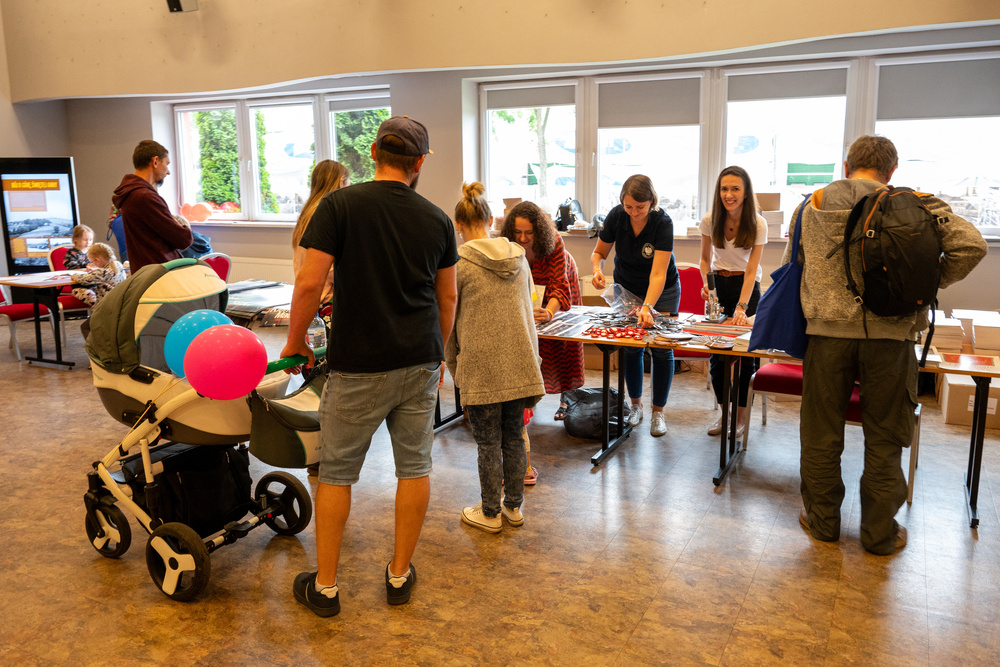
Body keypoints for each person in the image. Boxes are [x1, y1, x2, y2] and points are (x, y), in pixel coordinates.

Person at [281, 116, 457, 617]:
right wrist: (438, 351)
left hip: (357, 363)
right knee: (415, 467)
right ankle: (399, 574)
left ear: (375, 151)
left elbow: (309, 283)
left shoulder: (339, 206)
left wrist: (295, 341)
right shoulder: (437, 219)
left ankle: (326, 588)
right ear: (419, 163)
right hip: (419, 359)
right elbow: (447, 297)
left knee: (336, 473)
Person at [786, 135, 986, 555]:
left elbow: (794, 264)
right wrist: (926, 284)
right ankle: (879, 535)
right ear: (891, 171)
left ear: (846, 166)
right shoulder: (918, 204)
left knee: (821, 434)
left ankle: (823, 523)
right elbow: (971, 245)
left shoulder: (811, 205)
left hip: (827, 336)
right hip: (892, 339)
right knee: (884, 437)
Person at [445, 183, 544, 534]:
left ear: (458, 225)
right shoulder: (519, 257)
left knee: (488, 443)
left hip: (481, 367)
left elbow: (449, 321)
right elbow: (529, 313)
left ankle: (489, 513)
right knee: (514, 436)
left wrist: (453, 365)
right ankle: (513, 508)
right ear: (491, 221)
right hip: (520, 363)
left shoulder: (457, 263)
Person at [501, 201, 585, 484]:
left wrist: (549, 311)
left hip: (557, 292)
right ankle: (529, 399)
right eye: (518, 232)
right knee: (529, 347)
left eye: (529, 233)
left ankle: (566, 399)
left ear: (540, 231)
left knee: (561, 347)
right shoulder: (507, 244)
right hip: (530, 295)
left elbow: (560, 285)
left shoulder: (555, 242)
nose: (523, 238)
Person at [591, 175, 680, 437]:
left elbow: (658, 274)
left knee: (662, 348)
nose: (634, 212)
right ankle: (636, 406)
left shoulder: (663, 222)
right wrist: (596, 270)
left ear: (652, 201)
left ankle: (658, 412)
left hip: (662, 290)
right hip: (627, 287)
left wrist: (648, 306)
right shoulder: (616, 216)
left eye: (640, 207)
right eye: (628, 206)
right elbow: (599, 252)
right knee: (631, 346)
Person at [699, 166, 767, 438]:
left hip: (747, 289)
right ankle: (724, 413)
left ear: (746, 192)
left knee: (745, 358)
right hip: (720, 285)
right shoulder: (710, 219)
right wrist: (708, 286)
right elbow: (705, 259)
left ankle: (740, 418)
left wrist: (742, 306)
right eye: (724, 189)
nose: (729, 194)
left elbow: (751, 270)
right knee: (717, 357)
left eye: (735, 189)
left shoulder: (758, 223)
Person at [111, 140, 193, 273]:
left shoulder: (130, 194)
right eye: (167, 164)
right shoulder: (145, 197)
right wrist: (183, 228)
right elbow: (183, 239)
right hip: (160, 273)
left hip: (146, 271)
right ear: (155, 161)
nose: (168, 172)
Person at [292, 160, 350, 306]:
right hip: (326, 300)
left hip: (309, 297)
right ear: (341, 182)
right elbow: (328, 269)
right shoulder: (325, 214)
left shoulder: (307, 213)